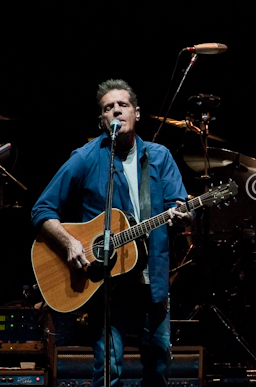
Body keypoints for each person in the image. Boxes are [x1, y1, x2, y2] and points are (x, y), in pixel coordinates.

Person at [31, 79, 194, 387]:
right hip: (105, 282)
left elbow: (182, 207)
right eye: (109, 108)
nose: (117, 111)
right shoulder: (86, 157)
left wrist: (183, 215)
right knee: (109, 368)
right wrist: (68, 243)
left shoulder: (159, 157)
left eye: (123, 105)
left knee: (159, 364)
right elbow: (42, 210)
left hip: (151, 276)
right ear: (101, 120)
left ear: (137, 113)